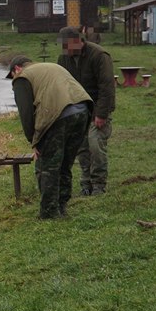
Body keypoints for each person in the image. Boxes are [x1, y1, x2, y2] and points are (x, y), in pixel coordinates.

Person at [6, 56, 93, 219]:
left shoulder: (22, 77)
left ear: (16, 69)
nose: (13, 79)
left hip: (58, 116)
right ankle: (61, 206)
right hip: (82, 111)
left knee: (47, 166)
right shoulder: (50, 67)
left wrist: (34, 141)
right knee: (65, 164)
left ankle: (49, 212)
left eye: (12, 75)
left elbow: (26, 113)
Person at [57, 26, 115, 196]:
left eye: (67, 46)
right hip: (77, 111)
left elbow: (107, 87)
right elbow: (62, 86)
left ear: (77, 41)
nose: (65, 50)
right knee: (81, 148)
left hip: (97, 108)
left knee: (95, 145)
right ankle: (86, 183)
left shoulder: (99, 56)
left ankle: (99, 184)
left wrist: (101, 114)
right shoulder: (63, 59)